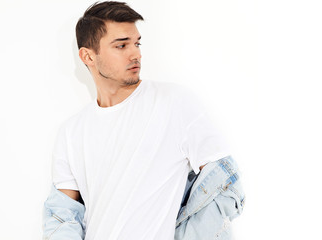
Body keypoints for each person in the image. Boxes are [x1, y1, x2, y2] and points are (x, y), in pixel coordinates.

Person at [42, 1, 244, 240]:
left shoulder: (174, 103)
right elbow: (62, 214)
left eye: (136, 43)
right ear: (88, 56)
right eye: (121, 45)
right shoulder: (71, 132)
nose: (135, 53)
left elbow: (224, 185)